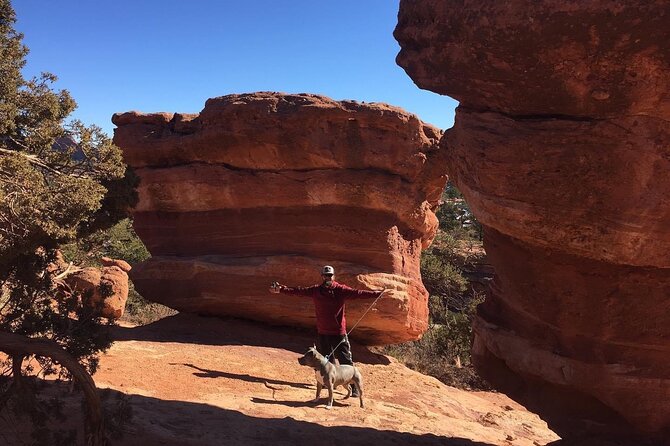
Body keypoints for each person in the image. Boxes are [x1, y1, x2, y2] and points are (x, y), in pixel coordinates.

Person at [269, 265, 387, 397]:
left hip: (339, 332)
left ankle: (354, 388)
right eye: (325, 275)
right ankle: (328, 382)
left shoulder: (340, 290)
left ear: (333, 276)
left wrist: (376, 294)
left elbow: (357, 293)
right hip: (323, 332)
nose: (328, 278)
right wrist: (282, 289)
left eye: (330, 275)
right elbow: (299, 291)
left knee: (345, 360)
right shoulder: (316, 291)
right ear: (322, 277)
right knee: (327, 360)